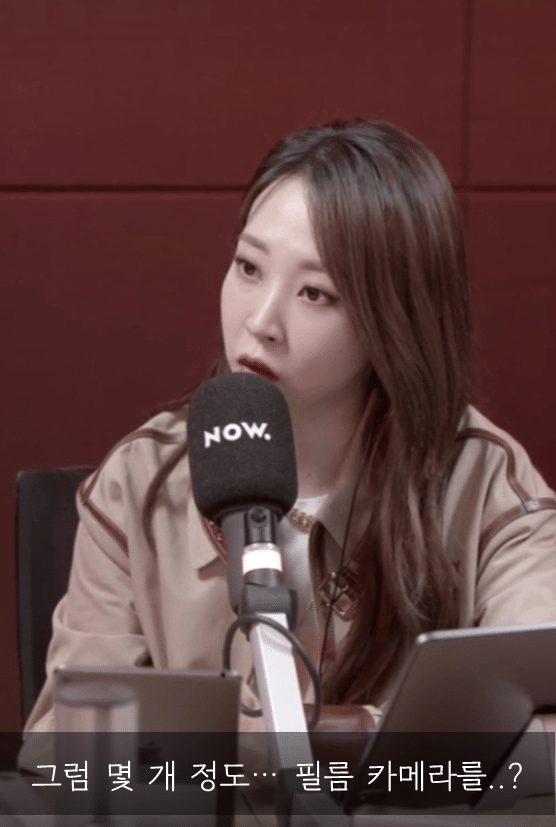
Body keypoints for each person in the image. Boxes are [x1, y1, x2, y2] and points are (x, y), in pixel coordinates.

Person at [22, 120, 556, 742]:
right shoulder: (139, 483)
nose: (261, 321)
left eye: (315, 294)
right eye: (249, 267)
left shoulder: (486, 483)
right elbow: (68, 746)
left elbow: (542, 726)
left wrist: (309, 740)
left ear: (394, 318)